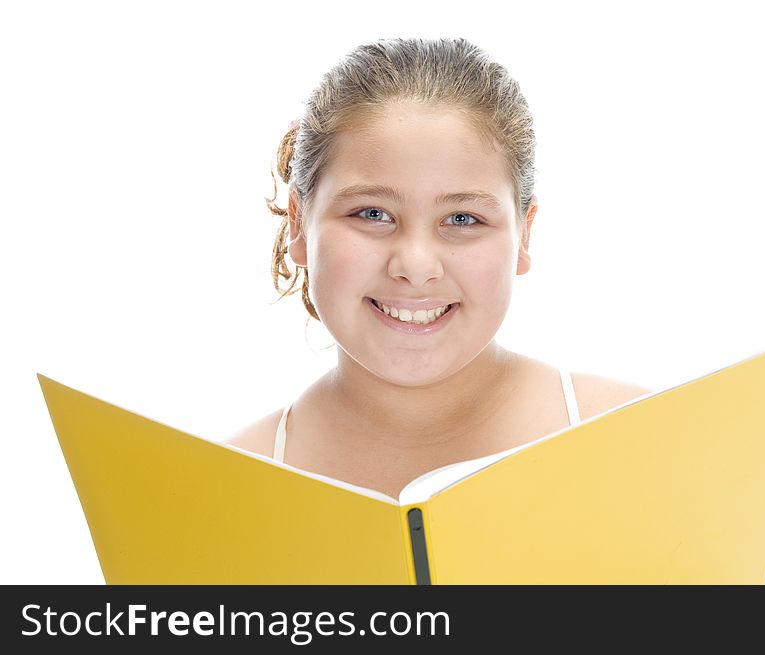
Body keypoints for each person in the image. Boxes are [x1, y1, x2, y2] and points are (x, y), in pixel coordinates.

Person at [225, 37, 650, 500]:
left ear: (523, 235)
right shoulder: (220, 484)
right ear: (299, 224)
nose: (415, 266)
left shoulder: (644, 437)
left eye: (462, 219)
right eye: (372, 213)